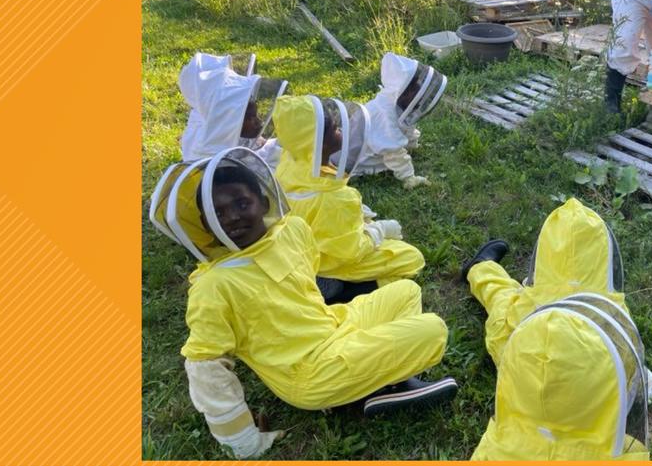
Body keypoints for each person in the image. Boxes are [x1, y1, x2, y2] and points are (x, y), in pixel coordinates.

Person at [148, 148, 456, 459]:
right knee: (433, 330)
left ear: (264, 201)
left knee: (406, 291)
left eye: (241, 203)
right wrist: (242, 440)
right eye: (219, 213)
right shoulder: (213, 287)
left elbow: (309, 275)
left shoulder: (291, 230)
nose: (233, 218)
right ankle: (363, 388)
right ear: (204, 224)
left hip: (334, 326)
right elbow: (206, 367)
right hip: (307, 374)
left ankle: (370, 385)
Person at [460, 198, 650, 460]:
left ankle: (480, 268)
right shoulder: (615, 316)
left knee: (502, 296)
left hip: (520, 369)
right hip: (589, 406)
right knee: (505, 298)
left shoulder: (523, 306)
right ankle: (481, 268)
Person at [272, 94, 426, 300]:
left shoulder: (289, 161)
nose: (341, 131)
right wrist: (380, 229)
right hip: (328, 262)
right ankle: (334, 288)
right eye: (335, 129)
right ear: (319, 143)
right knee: (411, 258)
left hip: (298, 252)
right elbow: (351, 250)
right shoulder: (335, 199)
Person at [339, 53, 447, 188]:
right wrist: (408, 177)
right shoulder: (383, 113)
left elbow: (407, 127)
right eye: (415, 89)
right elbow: (393, 153)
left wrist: (413, 144)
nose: (419, 95)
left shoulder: (396, 104)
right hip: (358, 161)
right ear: (404, 90)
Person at [178, 52, 288, 167]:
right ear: (230, 119)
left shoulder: (220, 126)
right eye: (250, 118)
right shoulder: (210, 154)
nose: (259, 121)